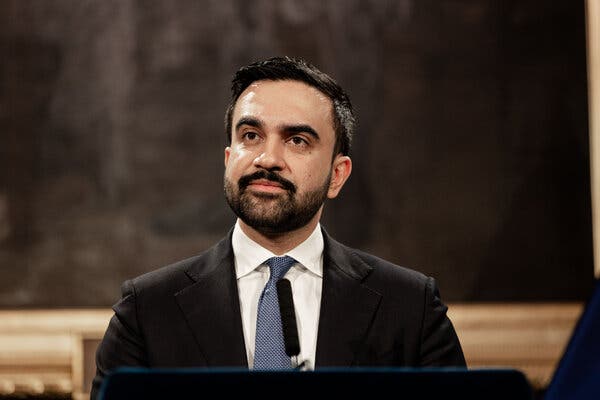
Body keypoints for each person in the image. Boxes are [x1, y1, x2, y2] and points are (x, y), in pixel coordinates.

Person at [91, 56, 466, 399]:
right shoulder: (147, 310)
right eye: (250, 136)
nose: (268, 159)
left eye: (297, 140)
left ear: (337, 175)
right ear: (229, 158)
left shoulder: (411, 307)